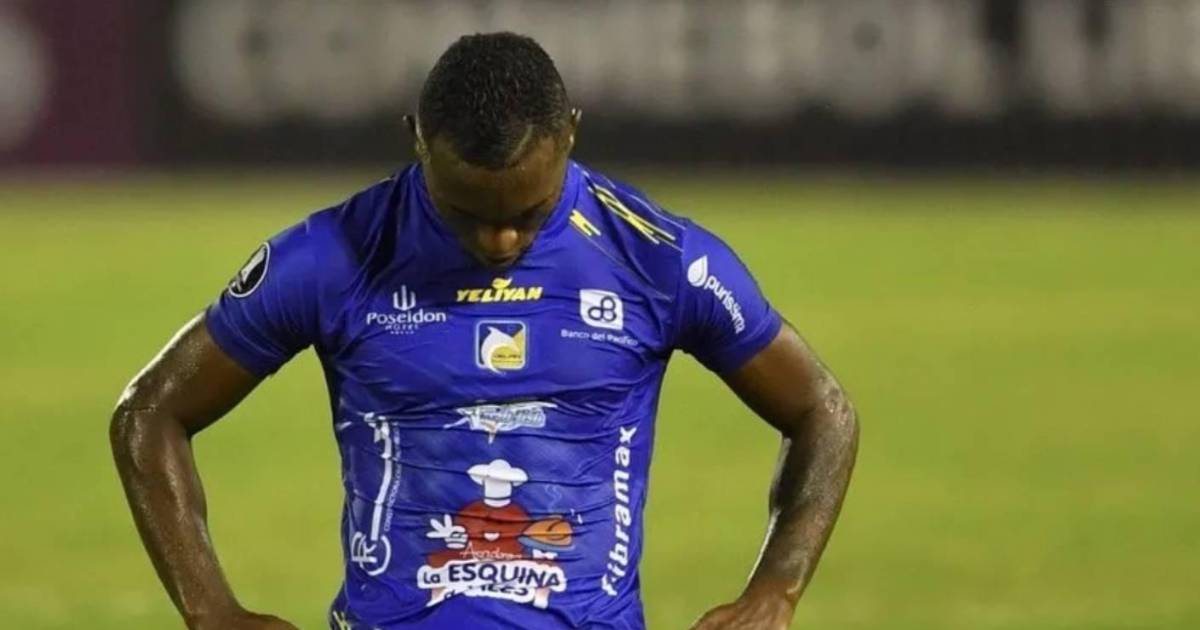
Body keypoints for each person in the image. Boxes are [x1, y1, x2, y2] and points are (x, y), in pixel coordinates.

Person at [110, 32, 858, 630]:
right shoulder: (332, 258)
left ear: (570, 135)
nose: (499, 241)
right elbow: (150, 412)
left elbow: (821, 409)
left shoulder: (658, 259)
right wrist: (213, 611)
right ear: (417, 140)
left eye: (528, 214)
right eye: (464, 212)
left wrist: (777, 590)